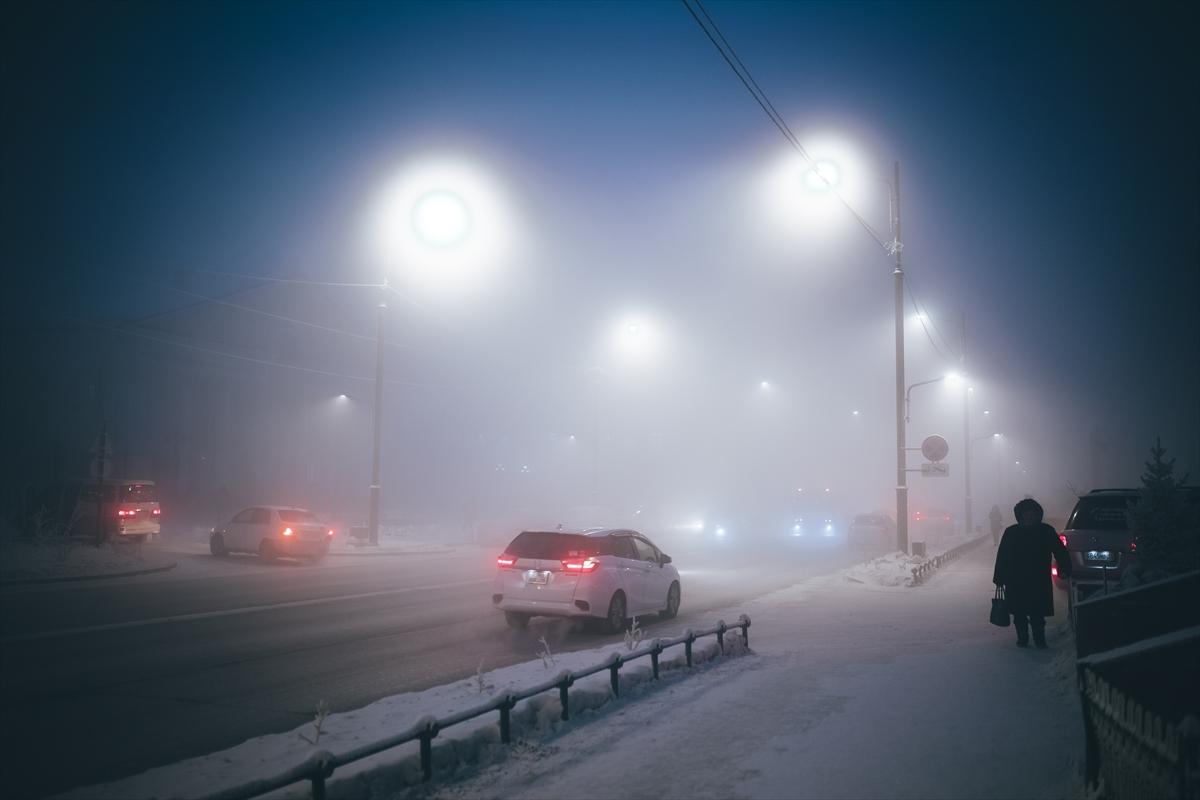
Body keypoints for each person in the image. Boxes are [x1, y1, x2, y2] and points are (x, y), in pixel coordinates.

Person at [992, 498, 1072, 648]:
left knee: (1037, 612)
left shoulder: (1046, 531)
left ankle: (1039, 639)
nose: (1029, 517)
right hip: (1015, 579)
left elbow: (1060, 551)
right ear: (1020, 515)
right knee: (1019, 612)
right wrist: (999, 577)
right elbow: (1002, 556)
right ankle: (1022, 638)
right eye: (1026, 514)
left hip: (1038, 579)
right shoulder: (1011, 532)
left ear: (1037, 515)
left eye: (1031, 514)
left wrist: (1065, 567)